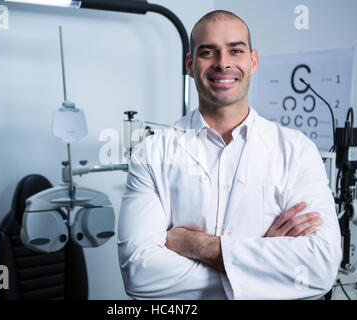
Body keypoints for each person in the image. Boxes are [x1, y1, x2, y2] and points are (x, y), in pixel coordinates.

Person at [117, 10, 341, 299]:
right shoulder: (152, 154)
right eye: (208, 52)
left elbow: (319, 269)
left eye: (235, 50)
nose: (223, 63)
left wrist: (196, 245)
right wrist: (263, 258)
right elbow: (139, 275)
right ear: (190, 64)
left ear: (253, 61)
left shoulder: (297, 151)